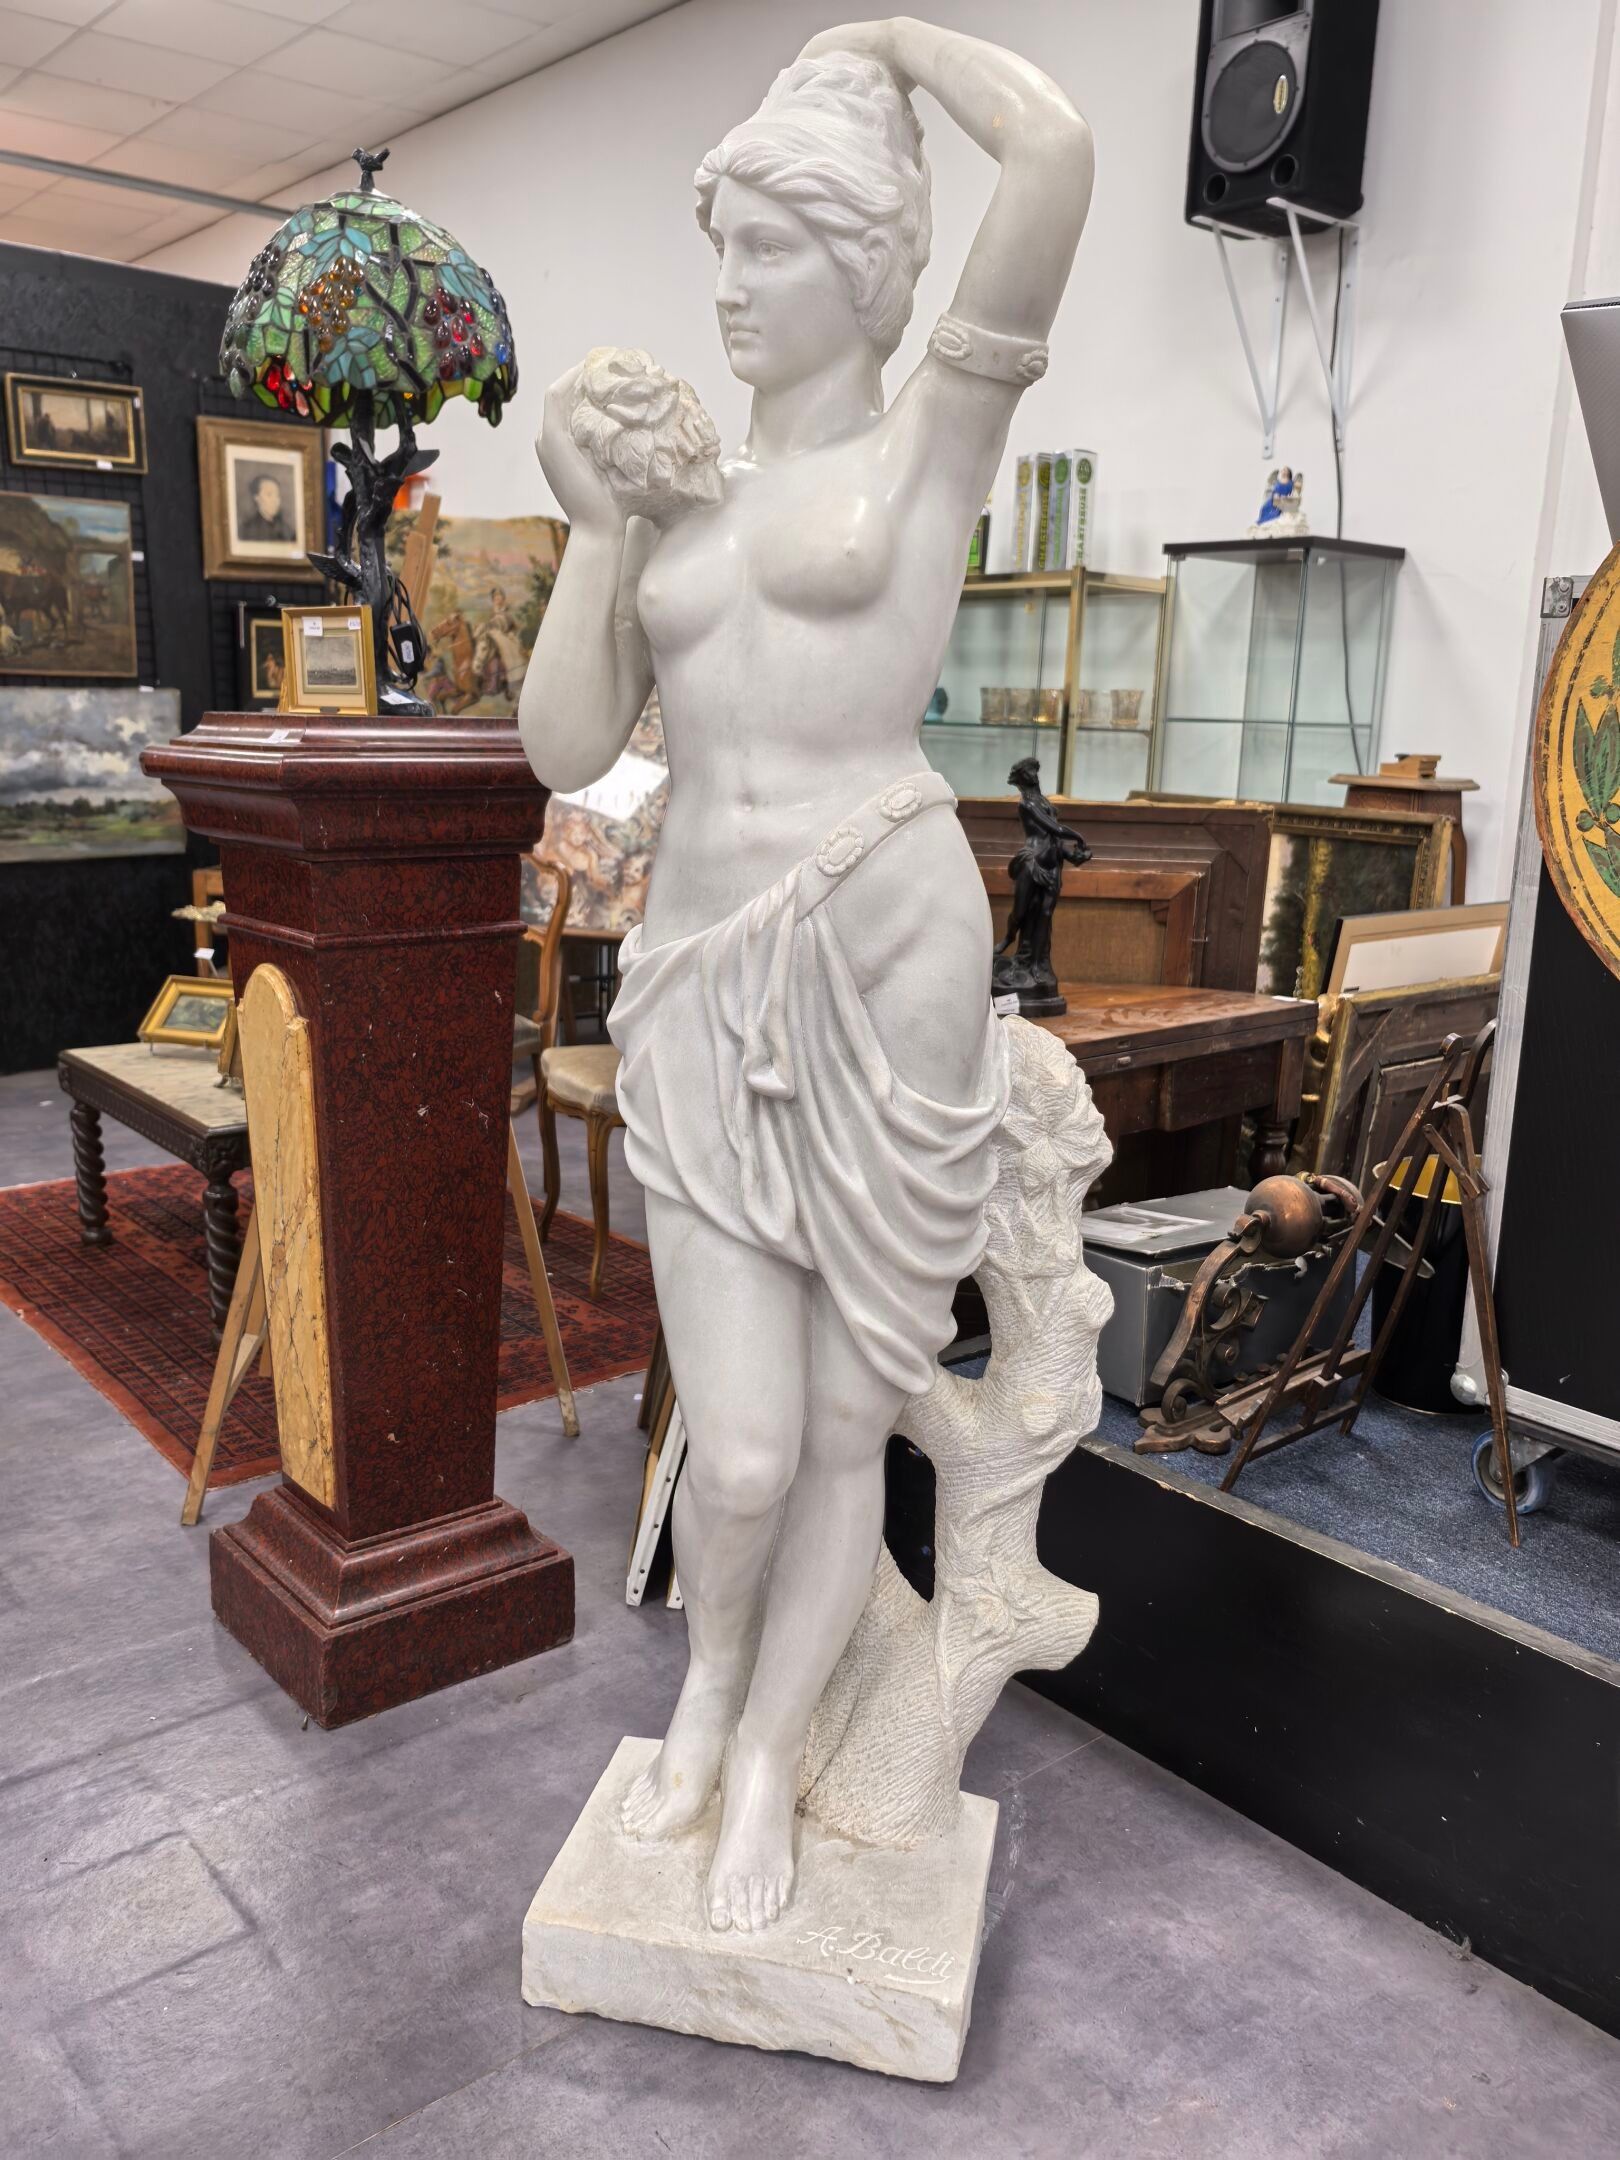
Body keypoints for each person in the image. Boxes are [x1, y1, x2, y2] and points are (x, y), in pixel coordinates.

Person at [519, 19, 1092, 1935]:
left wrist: (885, 46)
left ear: (861, 262)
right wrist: (594, 525)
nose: (730, 288)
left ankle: (768, 1752)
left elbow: (1057, 154)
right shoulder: (678, 502)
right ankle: (708, 1691)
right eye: (724, 248)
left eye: (765, 247)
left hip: (887, 949)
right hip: (696, 969)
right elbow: (565, 746)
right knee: (745, 1445)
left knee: (849, 1427)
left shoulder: (933, 441)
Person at [237, 471, 296, 546]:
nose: (275, 500)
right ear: (257, 498)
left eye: (277, 495)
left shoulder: (287, 530)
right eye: (269, 494)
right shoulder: (246, 530)